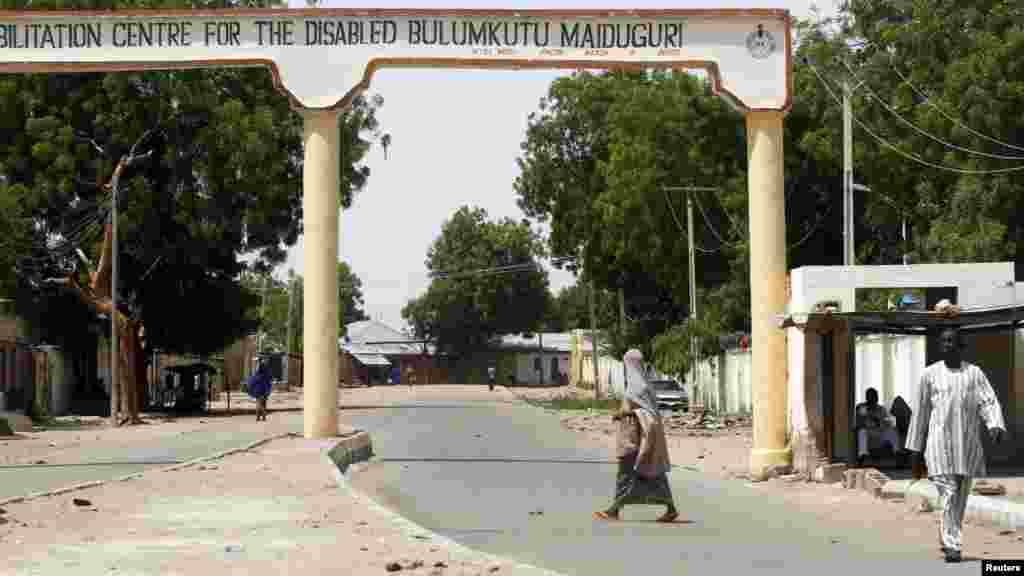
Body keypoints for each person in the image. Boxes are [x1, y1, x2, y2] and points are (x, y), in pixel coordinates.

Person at [906, 326, 1006, 563]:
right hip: (938, 447)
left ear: (961, 346)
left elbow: (988, 401)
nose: (946, 345)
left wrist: (994, 425)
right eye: (944, 341)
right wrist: (915, 451)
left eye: (951, 341)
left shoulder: (974, 373)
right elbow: (920, 414)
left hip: (966, 447)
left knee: (958, 498)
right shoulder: (929, 375)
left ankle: (947, 535)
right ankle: (953, 545)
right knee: (950, 493)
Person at [594, 349, 679, 523]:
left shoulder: (638, 387)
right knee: (653, 475)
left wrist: (623, 413)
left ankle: (614, 510)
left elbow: (647, 414)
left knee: (627, 474)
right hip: (632, 436)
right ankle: (670, 508)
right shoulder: (641, 385)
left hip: (636, 439)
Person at [855, 387, 903, 466]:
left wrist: (883, 422)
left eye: (875, 396)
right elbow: (859, 422)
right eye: (871, 397)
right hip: (869, 434)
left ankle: (898, 453)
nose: (874, 399)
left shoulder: (881, 409)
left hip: (880, 434)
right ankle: (862, 456)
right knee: (862, 432)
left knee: (892, 431)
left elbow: (888, 422)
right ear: (867, 398)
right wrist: (867, 414)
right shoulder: (862, 407)